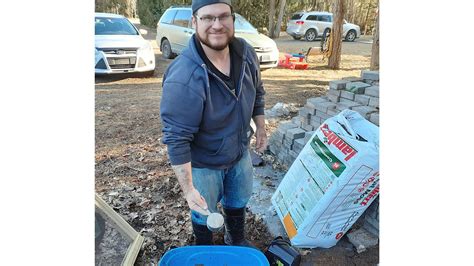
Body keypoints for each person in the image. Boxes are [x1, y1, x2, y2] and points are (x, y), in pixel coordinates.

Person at [160, 0, 267, 246]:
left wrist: (260, 126)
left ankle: (235, 239)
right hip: (204, 163)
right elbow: (177, 139)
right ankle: (205, 248)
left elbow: (258, 92)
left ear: (233, 19)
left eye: (223, 17)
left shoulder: (246, 53)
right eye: (208, 18)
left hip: (240, 152)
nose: (217, 25)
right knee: (202, 210)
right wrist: (188, 190)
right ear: (194, 22)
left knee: (238, 200)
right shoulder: (184, 76)